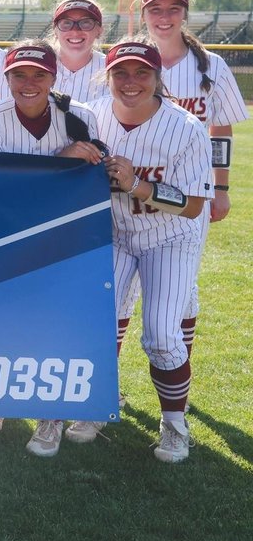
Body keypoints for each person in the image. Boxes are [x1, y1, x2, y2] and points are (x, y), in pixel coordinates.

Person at [75, 40, 212, 462]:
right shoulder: (91, 116)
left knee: (162, 335)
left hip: (170, 235)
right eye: (121, 72)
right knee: (95, 323)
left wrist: (138, 185)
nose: (130, 81)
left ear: (158, 77)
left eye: (141, 72)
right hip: (115, 232)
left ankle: (174, 425)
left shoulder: (185, 126)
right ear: (107, 76)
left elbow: (193, 205)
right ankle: (100, 401)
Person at [0, 40, 104, 457]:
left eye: (39, 74)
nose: (29, 83)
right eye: (19, 74)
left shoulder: (80, 116)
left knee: (56, 322)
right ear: (6, 77)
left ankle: (51, 414)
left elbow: (90, 179)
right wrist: (62, 160)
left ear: (54, 77)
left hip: (64, 236)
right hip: (6, 235)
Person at [121, 0, 249, 364]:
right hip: (131, 185)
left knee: (182, 287)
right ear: (143, 14)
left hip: (191, 187)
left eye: (173, 9)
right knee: (121, 290)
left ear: (185, 14)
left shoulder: (210, 64)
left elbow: (220, 128)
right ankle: (112, 381)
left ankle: (178, 371)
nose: (164, 17)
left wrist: (221, 188)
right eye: (155, 10)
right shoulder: (129, 62)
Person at [47, 0, 108, 103]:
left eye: (85, 23)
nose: (75, 31)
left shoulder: (111, 69)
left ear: (99, 31)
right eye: (66, 23)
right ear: (55, 31)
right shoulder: (38, 63)